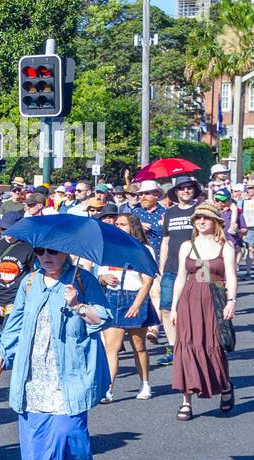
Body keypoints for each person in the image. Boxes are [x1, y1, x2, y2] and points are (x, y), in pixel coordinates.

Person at [0, 246, 111, 460]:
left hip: (69, 370)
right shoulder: (30, 282)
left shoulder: (81, 279)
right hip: (33, 371)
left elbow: (103, 318)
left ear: (66, 252)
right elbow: (15, 323)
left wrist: (78, 305)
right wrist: (0, 356)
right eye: (40, 251)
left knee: (70, 429)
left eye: (53, 251)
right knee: (37, 434)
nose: (46, 256)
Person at [171, 202, 238, 419]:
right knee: (186, 347)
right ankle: (186, 400)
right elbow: (181, 278)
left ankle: (225, 385)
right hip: (189, 301)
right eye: (197, 218)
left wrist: (231, 301)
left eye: (206, 218)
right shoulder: (186, 246)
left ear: (216, 221)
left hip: (214, 301)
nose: (201, 221)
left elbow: (231, 276)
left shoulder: (225, 246)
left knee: (213, 346)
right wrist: (173, 307)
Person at [95, 213, 157, 403]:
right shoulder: (109, 247)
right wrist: (104, 279)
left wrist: (137, 304)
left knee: (138, 346)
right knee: (111, 348)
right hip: (113, 298)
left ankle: (145, 383)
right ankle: (108, 389)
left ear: (133, 227)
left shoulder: (144, 249)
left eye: (122, 224)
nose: (117, 226)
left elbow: (148, 280)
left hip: (134, 297)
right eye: (116, 224)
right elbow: (100, 275)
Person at [0, 192, 42, 334]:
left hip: (17, 296)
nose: (6, 232)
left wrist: (31, 294)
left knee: (7, 332)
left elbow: (33, 273)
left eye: (9, 228)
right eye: (3, 229)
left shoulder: (28, 247)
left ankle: (2, 356)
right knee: (4, 329)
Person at [156, 176, 201, 367]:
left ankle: (198, 347)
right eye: (181, 188)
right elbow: (166, 241)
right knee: (166, 308)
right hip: (172, 267)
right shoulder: (170, 213)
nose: (185, 191)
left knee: (197, 308)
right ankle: (174, 348)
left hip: (197, 267)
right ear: (175, 192)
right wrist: (161, 268)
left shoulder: (200, 211)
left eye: (189, 188)